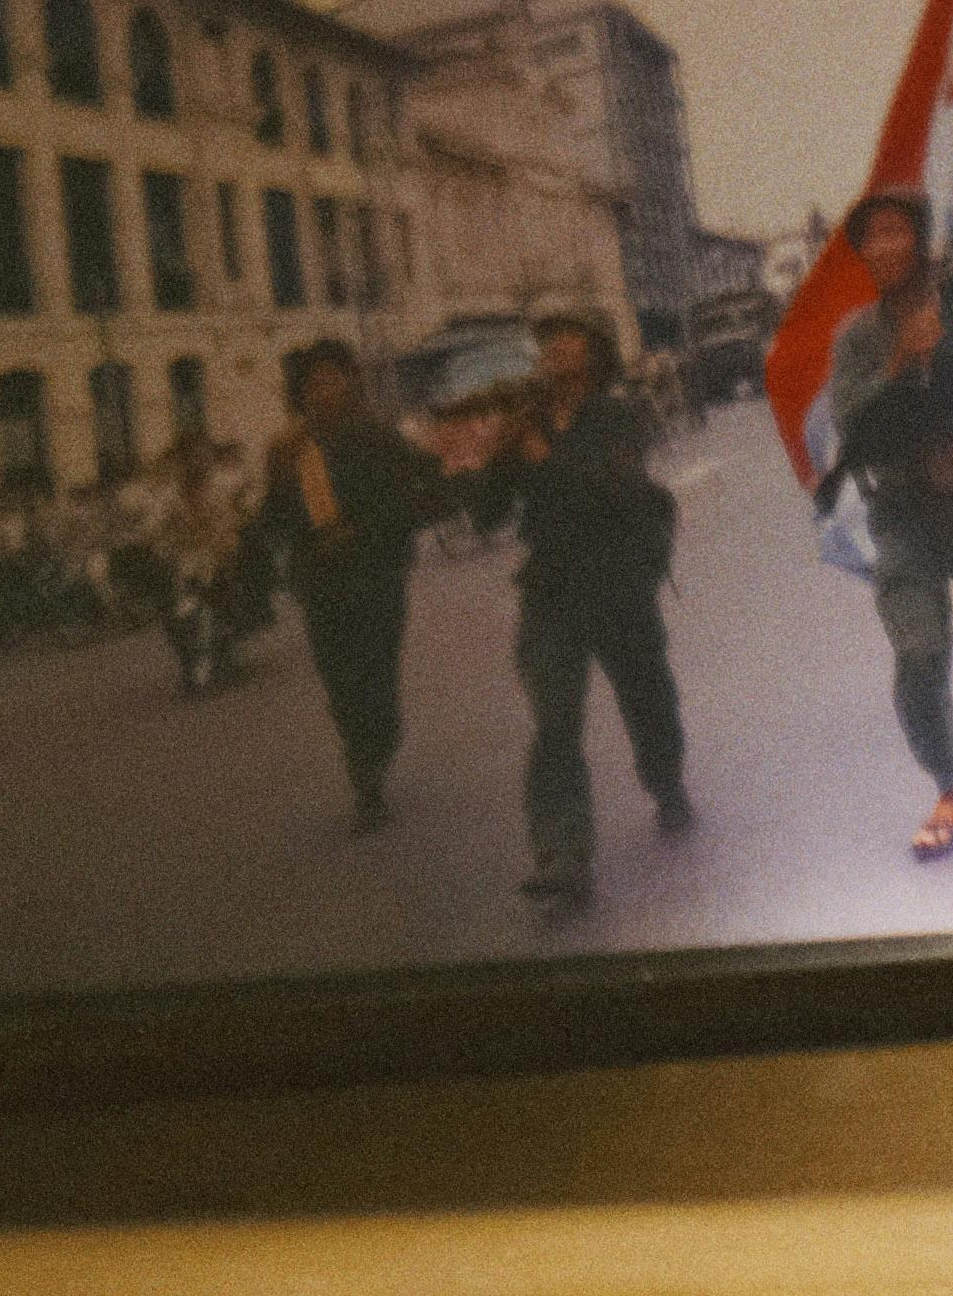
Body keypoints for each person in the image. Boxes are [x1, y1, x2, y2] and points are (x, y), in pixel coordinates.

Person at [815, 163, 953, 853]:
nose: (881, 248)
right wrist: (899, 366)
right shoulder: (856, 335)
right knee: (919, 649)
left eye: (895, 232)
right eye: (869, 237)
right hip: (902, 506)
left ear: (919, 240)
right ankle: (949, 785)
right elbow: (852, 422)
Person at [475, 303, 690, 916]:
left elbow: (615, 492)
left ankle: (666, 779)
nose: (556, 350)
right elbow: (488, 516)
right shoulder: (528, 424)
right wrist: (500, 454)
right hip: (552, 594)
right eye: (548, 340)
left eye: (570, 338)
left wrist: (546, 456)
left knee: (646, 694)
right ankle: (562, 854)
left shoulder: (619, 415)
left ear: (595, 354)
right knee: (554, 724)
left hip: (618, 582)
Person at [252, 336, 443, 831]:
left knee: (377, 674)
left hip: (376, 575)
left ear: (351, 383)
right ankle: (365, 776)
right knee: (340, 681)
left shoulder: (376, 438)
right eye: (314, 383)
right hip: (321, 584)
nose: (324, 390)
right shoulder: (291, 451)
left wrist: (374, 527)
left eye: (333, 379)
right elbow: (274, 519)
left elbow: (421, 488)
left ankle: (378, 745)